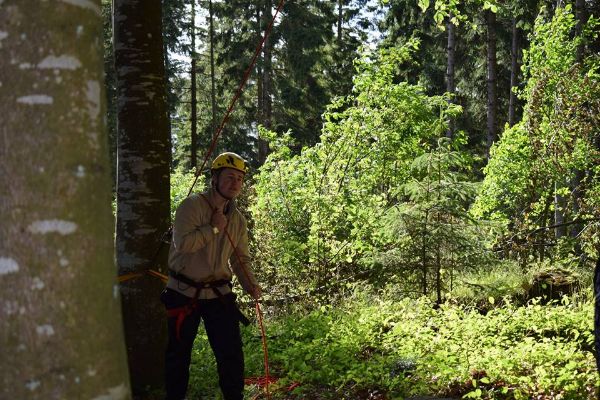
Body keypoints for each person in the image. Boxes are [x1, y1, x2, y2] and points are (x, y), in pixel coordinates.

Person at [161, 152, 262, 400]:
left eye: (239, 179)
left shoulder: (237, 219)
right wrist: (214, 227)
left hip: (219, 294)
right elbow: (183, 244)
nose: (235, 183)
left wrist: (251, 285)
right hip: (183, 293)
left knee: (231, 355)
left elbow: (240, 259)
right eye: (229, 177)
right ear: (214, 178)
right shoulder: (192, 206)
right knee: (178, 356)